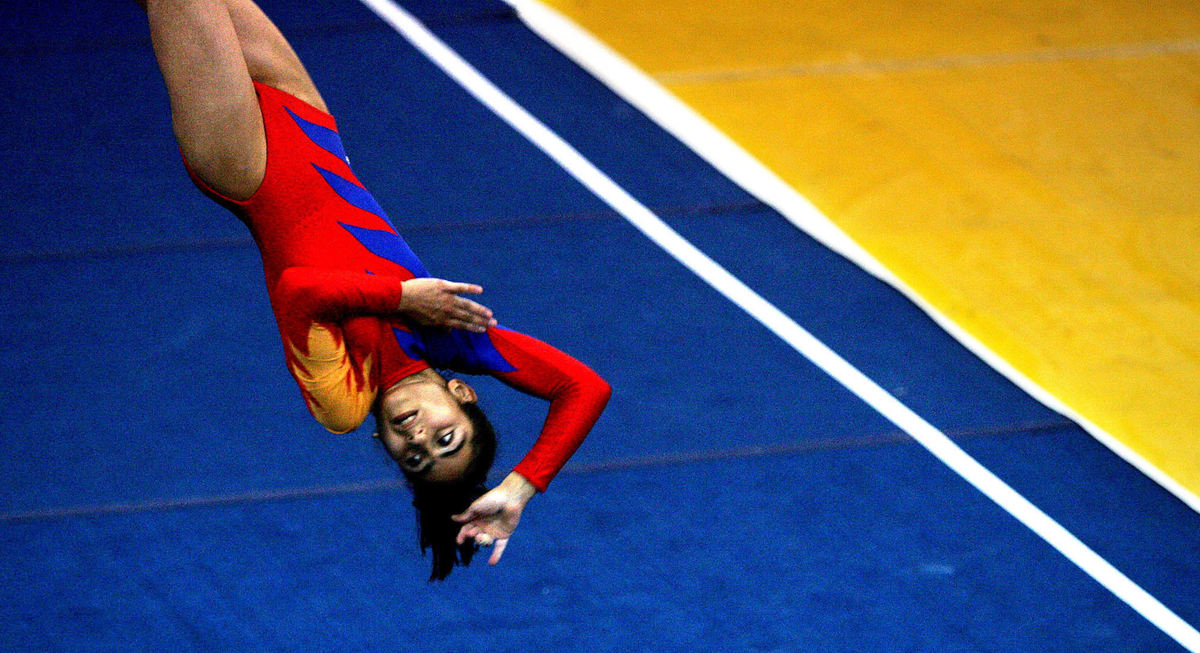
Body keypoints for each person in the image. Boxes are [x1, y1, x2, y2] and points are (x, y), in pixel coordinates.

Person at [137, 0, 611, 580]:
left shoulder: (344, 401)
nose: (418, 436)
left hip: (246, 166)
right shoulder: (455, 342)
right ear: (463, 395)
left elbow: (296, 292)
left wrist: (403, 301)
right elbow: (584, 388)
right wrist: (520, 488)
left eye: (414, 455)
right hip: (311, 126)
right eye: (445, 438)